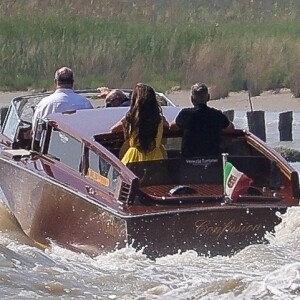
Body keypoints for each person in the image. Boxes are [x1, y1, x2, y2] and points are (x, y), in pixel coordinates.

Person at [170, 82, 234, 157]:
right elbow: (231, 127)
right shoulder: (217, 115)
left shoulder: (185, 114)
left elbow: (172, 127)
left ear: (191, 99)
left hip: (189, 162)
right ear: (208, 98)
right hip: (212, 161)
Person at [111, 82, 169, 164]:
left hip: (133, 157)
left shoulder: (130, 118)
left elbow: (113, 130)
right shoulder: (159, 119)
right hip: (155, 157)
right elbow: (168, 126)